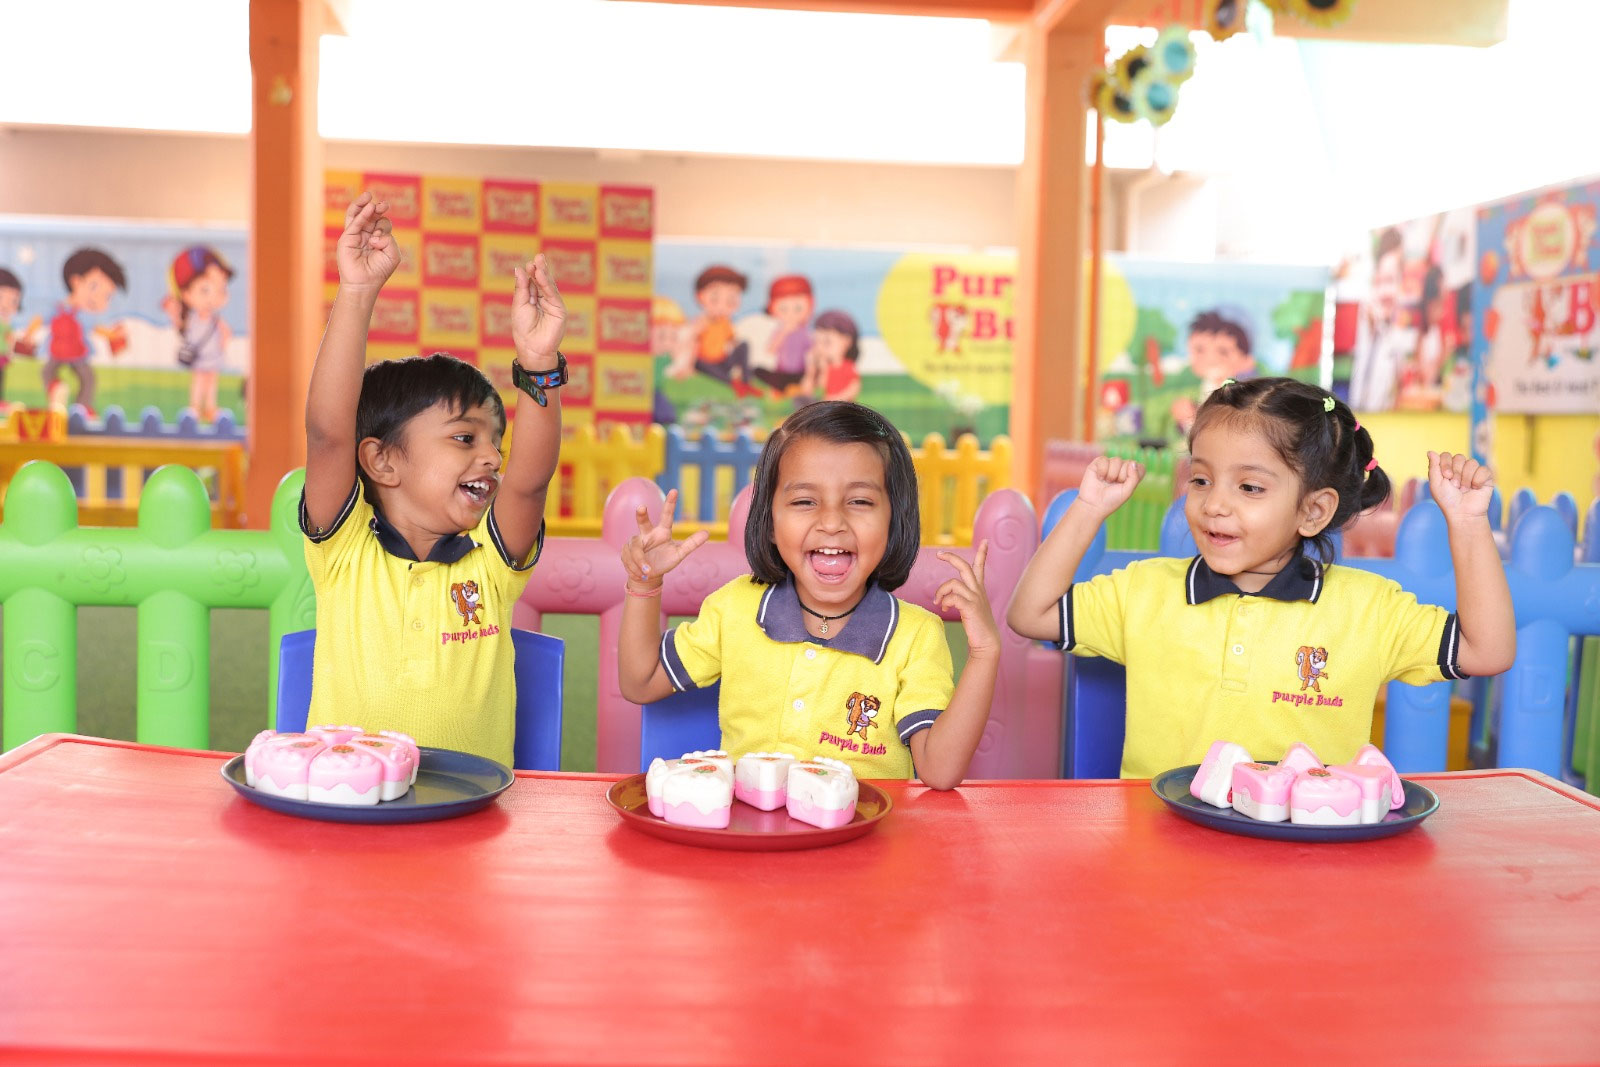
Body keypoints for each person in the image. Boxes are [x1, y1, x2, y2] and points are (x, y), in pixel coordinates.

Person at [1007, 376, 1515, 778]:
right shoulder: (1142, 591)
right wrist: (1089, 508)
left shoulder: (1369, 610)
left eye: (1249, 487)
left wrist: (1468, 524)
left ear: (1313, 511)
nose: (1215, 504)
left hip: (1304, 856)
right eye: (1201, 479)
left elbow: (1487, 651)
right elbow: (1030, 614)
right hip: (1160, 849)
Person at [300, 192, 567, 767]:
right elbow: (328, 436)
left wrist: (539, 364)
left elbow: (529, 482)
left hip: (470, 809)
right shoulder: (344, 552)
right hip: (350, 803)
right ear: (382, 462)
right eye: (465, 438)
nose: (492, 457)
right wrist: (356, 291)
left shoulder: (489, 565)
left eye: (496, 443)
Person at [617, 400, 999, 789]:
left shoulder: (916, 635)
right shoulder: (734, 608)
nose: (831, 522)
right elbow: (640, 681)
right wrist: (645, 584)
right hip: (750, 826)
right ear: (769, 520)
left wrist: (985, 653)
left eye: (859, 501)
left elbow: (940, 771)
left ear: (894, 521)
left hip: (868, 830)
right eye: (804, 501)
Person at [46, 248, 126, 415]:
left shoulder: (59, 309)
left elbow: (40, 320)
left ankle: (61, 390)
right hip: (73, 351)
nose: (99, 299)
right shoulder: (75, 312)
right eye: (94, 287)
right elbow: (96, 328)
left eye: (107, 296)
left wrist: (28, 335)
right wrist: (112, 335)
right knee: (87, 378)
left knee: (51, 372)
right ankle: (81, 404)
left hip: (61, 351)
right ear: (76, 282)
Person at [161, 245, 235, 423]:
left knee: (211, 380)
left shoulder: (215, 320)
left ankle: (210, 407)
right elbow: (182, 327)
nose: (213, 297)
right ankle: (195, 406)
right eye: (205, 290)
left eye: (221, 289)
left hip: (213, 354)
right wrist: (173, 313)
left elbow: (225, 332)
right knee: (199, 379)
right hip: (200, 356)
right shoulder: (193, 319)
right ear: (185, 293)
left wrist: (223, 344)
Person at [799, 309, 862, 404]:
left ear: (846, 341)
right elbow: (808, 391)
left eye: (827, 342)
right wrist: (811, 370)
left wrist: (837, 398)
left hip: (841, 406)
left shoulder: (847, 367)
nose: (820, 348)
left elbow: (854, 387)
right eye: (816, 342)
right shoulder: (819, 368)